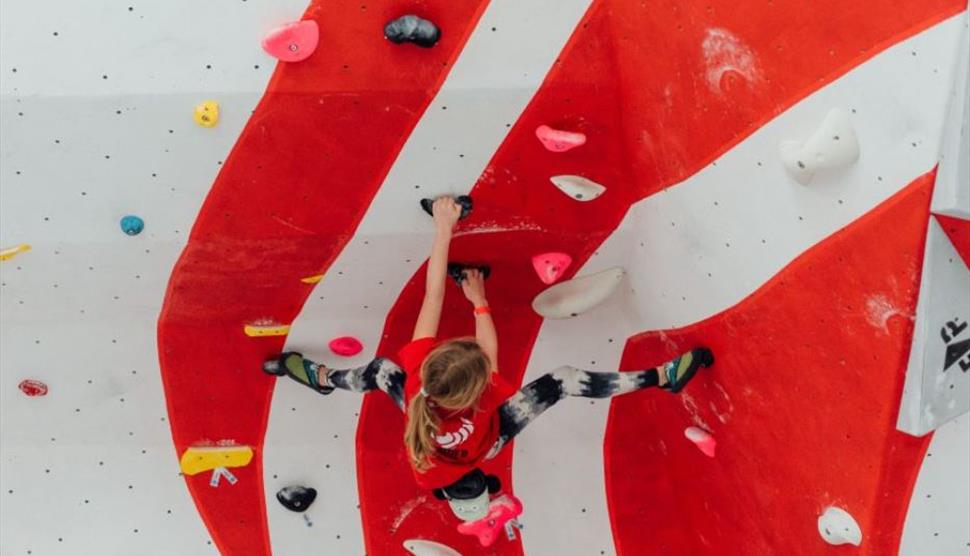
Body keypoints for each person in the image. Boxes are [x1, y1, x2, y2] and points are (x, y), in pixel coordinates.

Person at [264, 196, 713, 519]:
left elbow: (480, 344)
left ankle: (659, 377)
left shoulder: (477, 414)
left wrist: (480, 300)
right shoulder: (424, 451)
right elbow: (435, 297)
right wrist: (448, 235)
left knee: (563, 380)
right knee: (382, 373)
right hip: (448, 421)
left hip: (489, 433)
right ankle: (324, 378)